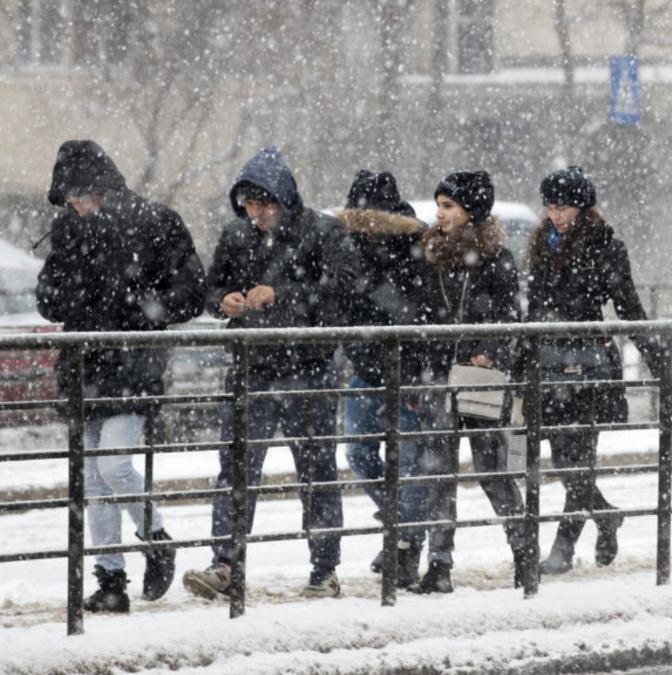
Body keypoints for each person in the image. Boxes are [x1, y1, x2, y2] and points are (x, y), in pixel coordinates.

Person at [182, 146, 362, 600]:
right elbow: (212, 286)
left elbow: (343, 293)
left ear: (284, 198)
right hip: (251, 367)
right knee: (236, 471)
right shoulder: (236, 236)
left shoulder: (324, 232)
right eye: (249, 205)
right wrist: (223, 299)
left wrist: (280, 294)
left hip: (308, 369)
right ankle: (225, 563)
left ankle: (324, 567)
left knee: (316, 470)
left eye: (264, 204)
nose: (257, 213)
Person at [36, 139, 205, 612]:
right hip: (87, 362)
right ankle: (111, 580)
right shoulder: (70, 228)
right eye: (70, 199)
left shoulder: (154, 221)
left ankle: (155, 539)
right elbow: (47, 295)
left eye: (80, 196)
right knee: (93, 477)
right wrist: (78, 298)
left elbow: (192, 290)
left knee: (112, 465)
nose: (76, 206)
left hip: (131, 363)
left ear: (100, 187)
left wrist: (143, 310)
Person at [525, 166, 672, 575]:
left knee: (580, 461)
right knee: (563, 461)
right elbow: (533, 310)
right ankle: (606, 516)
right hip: (550, 364)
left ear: (582, 206)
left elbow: (629, 307)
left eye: (564, 206)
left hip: (589, 364)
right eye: (550, 206)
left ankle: (563, 548)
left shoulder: (604, 245)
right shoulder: (541, 244)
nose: (556, 214)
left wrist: (659, 364)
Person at [411, 169, 532, 594]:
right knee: (438, 474)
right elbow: (419, 318)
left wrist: (489, 350)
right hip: (438, 379)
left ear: (470, 211)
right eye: (439, 205)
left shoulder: (496, 257)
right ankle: (439, 567)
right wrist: (418, 373)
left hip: (479, 377)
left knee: (492, 471)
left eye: (449, 206)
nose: (440, 214)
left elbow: (508, 316)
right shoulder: (429, 254)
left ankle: (524, 552)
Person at [336, 169, 428, 584]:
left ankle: (405, 545)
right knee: (358, 453)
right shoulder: (347, 246)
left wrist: (414, 373)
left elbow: (421, 314)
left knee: (409, 461)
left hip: (404, 371)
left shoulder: (414, 247)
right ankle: (400, 522)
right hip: (364, 368)